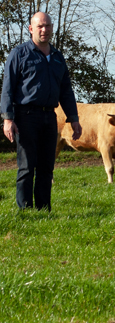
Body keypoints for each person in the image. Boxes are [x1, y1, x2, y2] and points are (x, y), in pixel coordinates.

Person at [1, 12, 82, 211]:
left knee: (47, 167)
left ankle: (44, 210)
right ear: (31, 29)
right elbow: (7, 89)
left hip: (49, 116)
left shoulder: (57, 57)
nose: (43, 30)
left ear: (52, 28)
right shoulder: (19, 54)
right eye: (39, 26)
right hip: (26, 116)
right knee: (27, 166)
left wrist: (73, 118)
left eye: (47, 26)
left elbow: (66, 90)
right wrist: (8, 119)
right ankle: (25, 211)